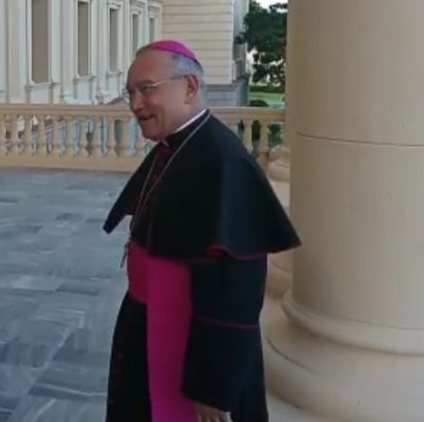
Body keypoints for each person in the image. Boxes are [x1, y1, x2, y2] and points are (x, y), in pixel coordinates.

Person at [103, 40, 300, 422]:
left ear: (189, 88)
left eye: (147, 89)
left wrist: (213, 387)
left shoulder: (224, 162)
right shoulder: (174, 147)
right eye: (131, 92)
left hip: (191, 348)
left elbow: (236, 293)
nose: (135, 104)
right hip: (148, 322)